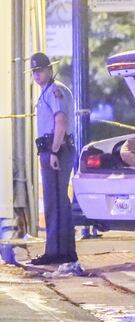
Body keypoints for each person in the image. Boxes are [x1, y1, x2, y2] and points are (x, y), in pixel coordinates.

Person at [29, 52, 78, 265]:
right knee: (56, 200)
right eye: (34, 72)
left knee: (55, 202)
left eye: (40, 71)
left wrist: (55, 151)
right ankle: (62, 250)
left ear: (50, 70)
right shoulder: (47, 91)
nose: (37, 75)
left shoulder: (55, 91)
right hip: (51, 148)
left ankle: (57, 252)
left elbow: (61, 121)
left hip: (56, 148)